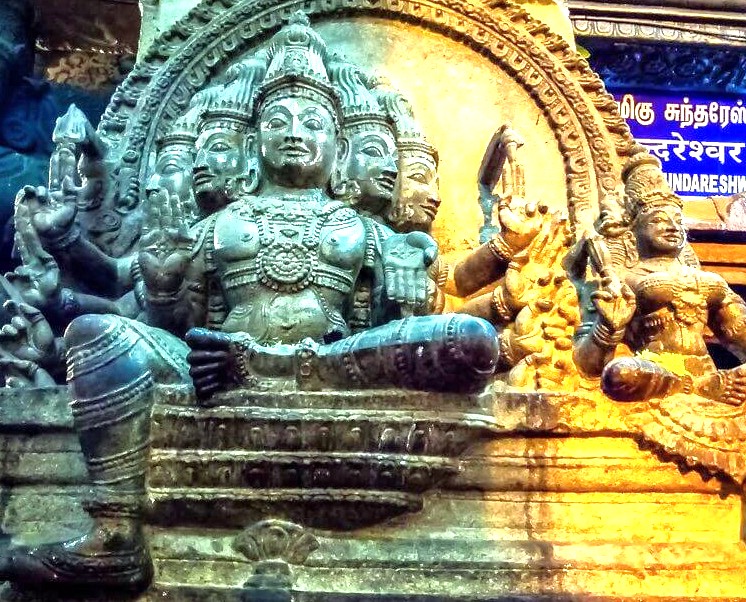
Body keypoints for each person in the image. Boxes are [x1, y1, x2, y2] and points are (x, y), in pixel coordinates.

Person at [1, 14, 498, 591]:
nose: (294, 132)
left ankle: (271, 368)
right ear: (249, 142)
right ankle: (116, 534)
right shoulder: (217, 225)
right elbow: (133, 296)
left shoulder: (366, 230)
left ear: (341, 148)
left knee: (470, 341)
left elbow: (419, 317)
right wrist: (73, 244)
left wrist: (409, 282)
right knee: (94, 334)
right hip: (213, 370)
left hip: (333, 368)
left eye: (313, 121)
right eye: (276, 120)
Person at [573, 147, 746, 508]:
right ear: (634, 231)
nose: (671, 225)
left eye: (677, 220)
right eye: (659, 219)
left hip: (714, 380)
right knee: (620, 373)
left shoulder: (710, 282)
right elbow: (586, 365)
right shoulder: (622, 280)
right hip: (657, 375)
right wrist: (608, 327)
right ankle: (687, 388)